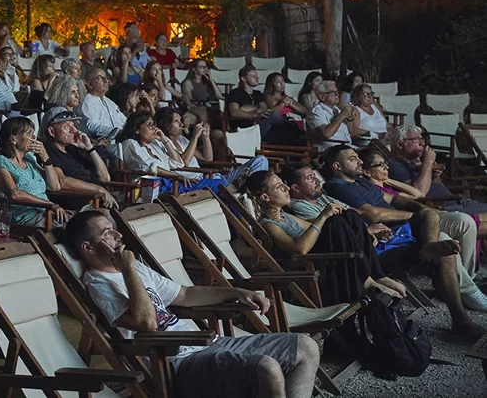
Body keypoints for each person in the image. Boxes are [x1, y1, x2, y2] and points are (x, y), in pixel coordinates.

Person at [66, 209, 321, 398]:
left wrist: (235, 292)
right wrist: (128, 269)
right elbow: (147, 323)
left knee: (306, 346)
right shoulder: (99, 284)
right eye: (107, 233)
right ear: (87, 248)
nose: (118, 234)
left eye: (113, 228)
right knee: (266, 368)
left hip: (205, 345)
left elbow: (184, 295)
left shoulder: (134, 267)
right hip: (173, 365)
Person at [321, 144, 486, 335]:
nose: (359, 161)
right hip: (384, 243)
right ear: (337, 167)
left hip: (401, 231)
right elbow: (372, 214)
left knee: (438, 232)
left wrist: (418, 209)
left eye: (358, 157)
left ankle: (433, 253)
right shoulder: (339, 187)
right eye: (352, 159)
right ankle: (461, 318)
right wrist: (413, 215)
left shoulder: (361, 182)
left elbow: (393, 200)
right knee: (442, 237)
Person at [245, 170, 407, 305]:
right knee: (335, 222)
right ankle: (369, 281)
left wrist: (361, 233)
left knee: (349, 215)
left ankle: (378, 275)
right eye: (280, 187)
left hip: (320, 252)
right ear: (265, 197)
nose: (287, 188)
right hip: (311, 260)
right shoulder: (268, 224)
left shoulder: (286, 216)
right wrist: (324, 216)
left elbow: (313, 228)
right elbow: (298, 250)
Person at [361, 146, 484, 281]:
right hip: (419, 217)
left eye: (386, 164)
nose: (386, 168)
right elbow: (419, 193)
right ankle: (467, 280)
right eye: (381, 165)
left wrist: (387, 180)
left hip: (434, 211)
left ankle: (468, 279)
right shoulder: (375, 190)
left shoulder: (387, 187)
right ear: (367, 172)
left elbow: (416, 193)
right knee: (466, 222)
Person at [385, 126, 487, 256]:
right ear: (399, 144)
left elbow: (439, 186)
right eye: (416, 139)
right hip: (442, 207)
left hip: (456, 201)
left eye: (421, 138)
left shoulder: (413, 161)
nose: (422, 143)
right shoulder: (394, 165)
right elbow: (418, 193)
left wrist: (434, 174)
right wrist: (428, 162)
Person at [119, 110, 228, 193]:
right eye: (149, 125)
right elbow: (149, 168)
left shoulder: (154, 144)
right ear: (136, 129)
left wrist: (164, 139)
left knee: (222, 188)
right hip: (154, 186)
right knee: (220, 185)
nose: (153, 128)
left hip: (172, 182)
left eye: (153, 125)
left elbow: (178, 163)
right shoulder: (130, 144)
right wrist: (177, 177)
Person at [0, 116, 69, 227]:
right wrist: (50, 204)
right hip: (26, 218)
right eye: (29, 133)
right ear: (13, 139)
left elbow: (55, 186)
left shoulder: (30, 159)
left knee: (90, 219)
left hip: (47, 213)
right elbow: (14, 194)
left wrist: (45, 157)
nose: (34, 137)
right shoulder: (0, 162)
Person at [39, 107, 119, 207]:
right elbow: (62, 181)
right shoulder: (48, 150)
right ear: (51, 132)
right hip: (81, 202)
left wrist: (89, 148)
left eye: (73, 126)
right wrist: (99, 189)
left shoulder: (73, 149)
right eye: (67, 127)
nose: (74, 130)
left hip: (97, 199)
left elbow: (105, 178)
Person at [228, 65, 300, 145]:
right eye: (253, 76)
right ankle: (298, 132)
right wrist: (255, 114)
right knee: (274, 115)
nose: (257, 78)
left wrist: (246, 108)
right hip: (245, 129)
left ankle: (297, 136)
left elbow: (264, 109)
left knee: (285, 133)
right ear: (243, 79)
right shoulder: (235, 93)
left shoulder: (258, 94)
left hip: (260, 126)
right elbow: (234, 112)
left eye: (257, 75)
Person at [306, 80, 356, 150]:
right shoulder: (316, 111)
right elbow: (326, 134)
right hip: (330, 150)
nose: (337, 94)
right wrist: (342, 116)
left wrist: (350, 118)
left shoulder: (336, 109)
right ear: (322, 97)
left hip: (346, 147)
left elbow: (352, 133)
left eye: (337, 92)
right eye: (333, 92)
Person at [80, 68, 128, 141]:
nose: (106, 81)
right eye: (101, 78)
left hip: (124, 138)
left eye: (106, 78)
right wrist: (117, 132)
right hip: (108, 142)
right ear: (90, 84)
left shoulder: (110, 102)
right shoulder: (88, 102)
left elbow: (124, 121)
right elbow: (92, 126)